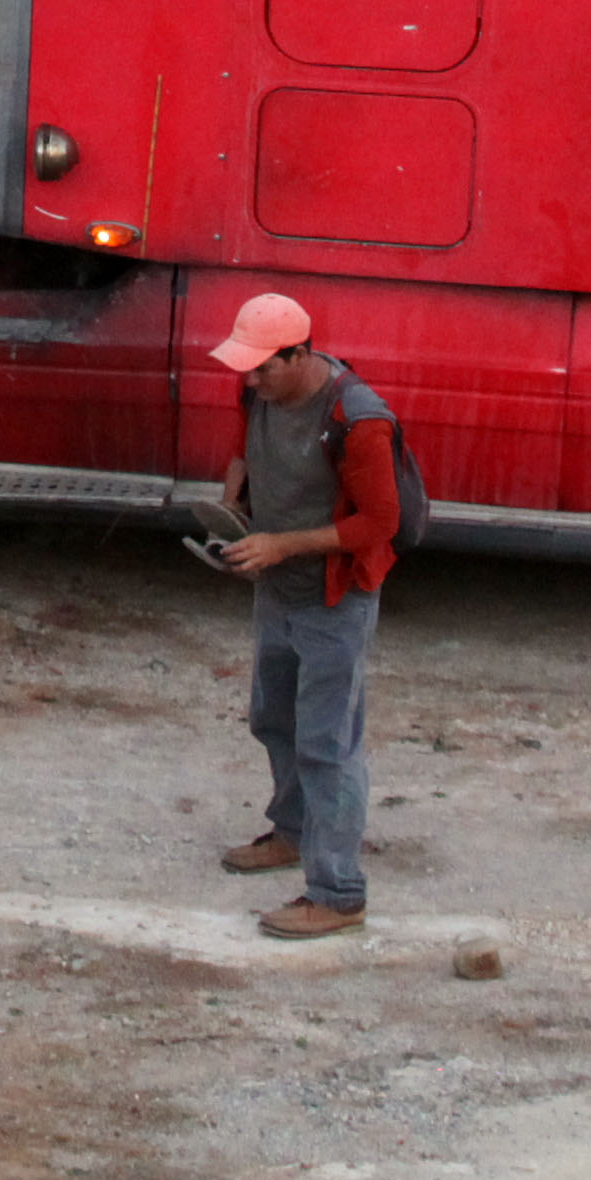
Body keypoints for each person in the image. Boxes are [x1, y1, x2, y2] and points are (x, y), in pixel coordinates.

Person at [202, 290, 402, 941]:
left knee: (328, 745)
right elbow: (246, 450)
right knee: (274, 718)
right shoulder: (257, 392)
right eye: (247, 370)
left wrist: (281, 544)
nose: (252, 381)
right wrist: (232, 503)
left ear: (301, 353)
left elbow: (379, 523)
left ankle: (339, 892)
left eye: (264, 368)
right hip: (279, 589)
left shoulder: (358, 417)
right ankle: (292, 832)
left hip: (333, 599)